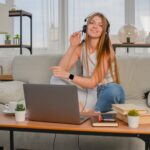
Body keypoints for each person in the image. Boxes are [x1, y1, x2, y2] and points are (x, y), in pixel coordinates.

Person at [50, 12, 125, 113]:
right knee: (55, 78)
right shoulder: (80, 48)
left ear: (105, 31)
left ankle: (94, 111)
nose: (95, 26)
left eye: (100, 25)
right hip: (89, 93)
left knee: (115, 89)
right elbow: (60, 70)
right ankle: (82, 108)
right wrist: (72, 46)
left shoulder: (107, 51)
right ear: (86, 27)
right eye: (92, 23)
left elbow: (93, 83)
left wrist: (69, 75)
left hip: (104, 92)